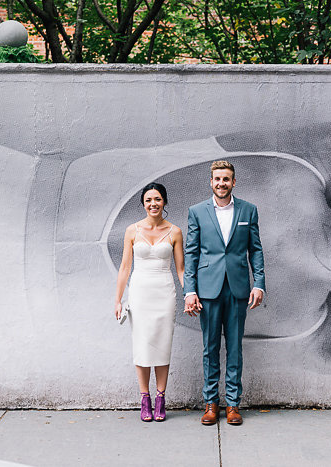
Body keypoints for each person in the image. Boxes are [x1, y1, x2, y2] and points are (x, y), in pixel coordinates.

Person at [183, 160, 266, 426]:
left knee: (234, 348)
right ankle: (210, 404)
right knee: (210, 348)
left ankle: (232, 404)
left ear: (233, 182)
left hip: (238, 287)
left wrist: (259, 283)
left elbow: (256, 249)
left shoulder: (248, 210)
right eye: (217, 179)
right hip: (208, 289)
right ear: (211, 182)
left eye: (226, 179)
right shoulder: (197, 212)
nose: (221, 183)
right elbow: (191, 253)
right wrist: (189, 291)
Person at [114, 182, 185, 422]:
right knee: (142, 346)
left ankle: (161, 397)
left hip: (164, 292)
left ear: (164, 201)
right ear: (143, 204)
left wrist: (190, 294)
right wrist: (118, 300)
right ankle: (145, 399)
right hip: (140, 292)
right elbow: (125, 267)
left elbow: (181, 269)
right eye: (148, 200)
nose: (153, 204)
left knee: (162, 345)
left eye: (157, 199)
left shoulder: (175, 231)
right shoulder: (132, 231)